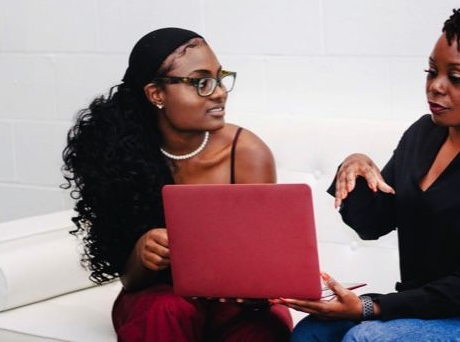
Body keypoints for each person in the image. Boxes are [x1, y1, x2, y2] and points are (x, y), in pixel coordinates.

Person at [281, 5, 460, 342]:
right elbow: (373, 223)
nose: (436, 87)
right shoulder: (423, 135)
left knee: (368, 339)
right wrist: (352, 168)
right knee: (313, 333)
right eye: (431, 71)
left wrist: (370, 308)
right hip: (432, 308)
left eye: (455, 78)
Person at [62, 28, 292, 341]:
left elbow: (264, 264)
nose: (219, 92)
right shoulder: (123, 157)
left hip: (237, 305)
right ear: (156, 94)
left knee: (263, 328)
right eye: (201, 82)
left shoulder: (248, 153)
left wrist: (257, 288)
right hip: (161, 298)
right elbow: (130, 281)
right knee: (165, 310)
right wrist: (144, 252)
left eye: (219, 78)